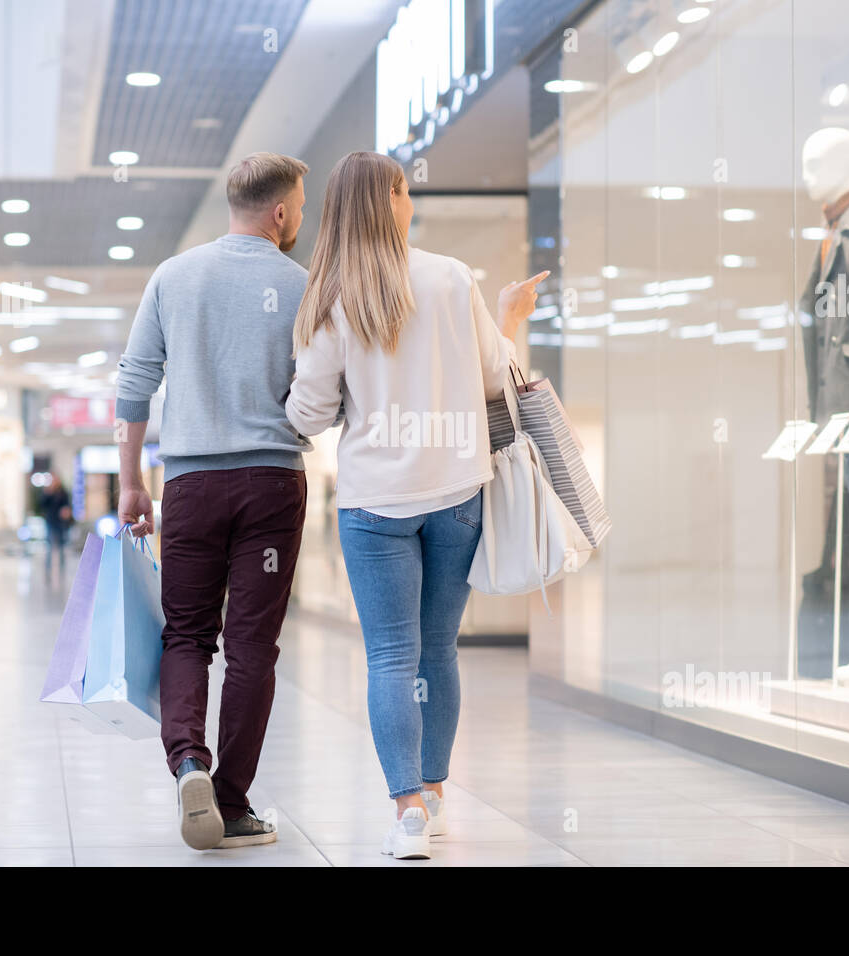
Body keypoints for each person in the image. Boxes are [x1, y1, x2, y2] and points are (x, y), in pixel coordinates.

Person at [286, 151, 545, 860]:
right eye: (405, 191)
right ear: (390, 202)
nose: (410, 202)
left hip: (374, 502)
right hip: (457, 493)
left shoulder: (331, 296)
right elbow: (498, 378)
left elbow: (308, 415)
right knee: (439, 651)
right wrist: (507, 320)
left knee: (391, 657)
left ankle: (405, 814)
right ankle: (432, 794)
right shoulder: (452, 277)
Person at [115, 152, 311, 851]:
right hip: (270, 482)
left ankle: (189, 763)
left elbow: (134, 383)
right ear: (282, 212)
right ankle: (230, 803)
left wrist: (131, 479)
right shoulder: (302, 285)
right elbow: (320, 393)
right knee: (254, 645)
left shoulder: (174, 276)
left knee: (187, 634)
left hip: (190, 483)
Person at [38, 475, 73, 584]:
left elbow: (67, 505)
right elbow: (42, 505)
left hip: (61, 523)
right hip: (50, 522)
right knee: (50, 547)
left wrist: (67, 511)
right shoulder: (48, 492)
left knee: (62, 548)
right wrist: (48, 492)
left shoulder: (63, 492)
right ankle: (48, 571)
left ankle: (62, 570)